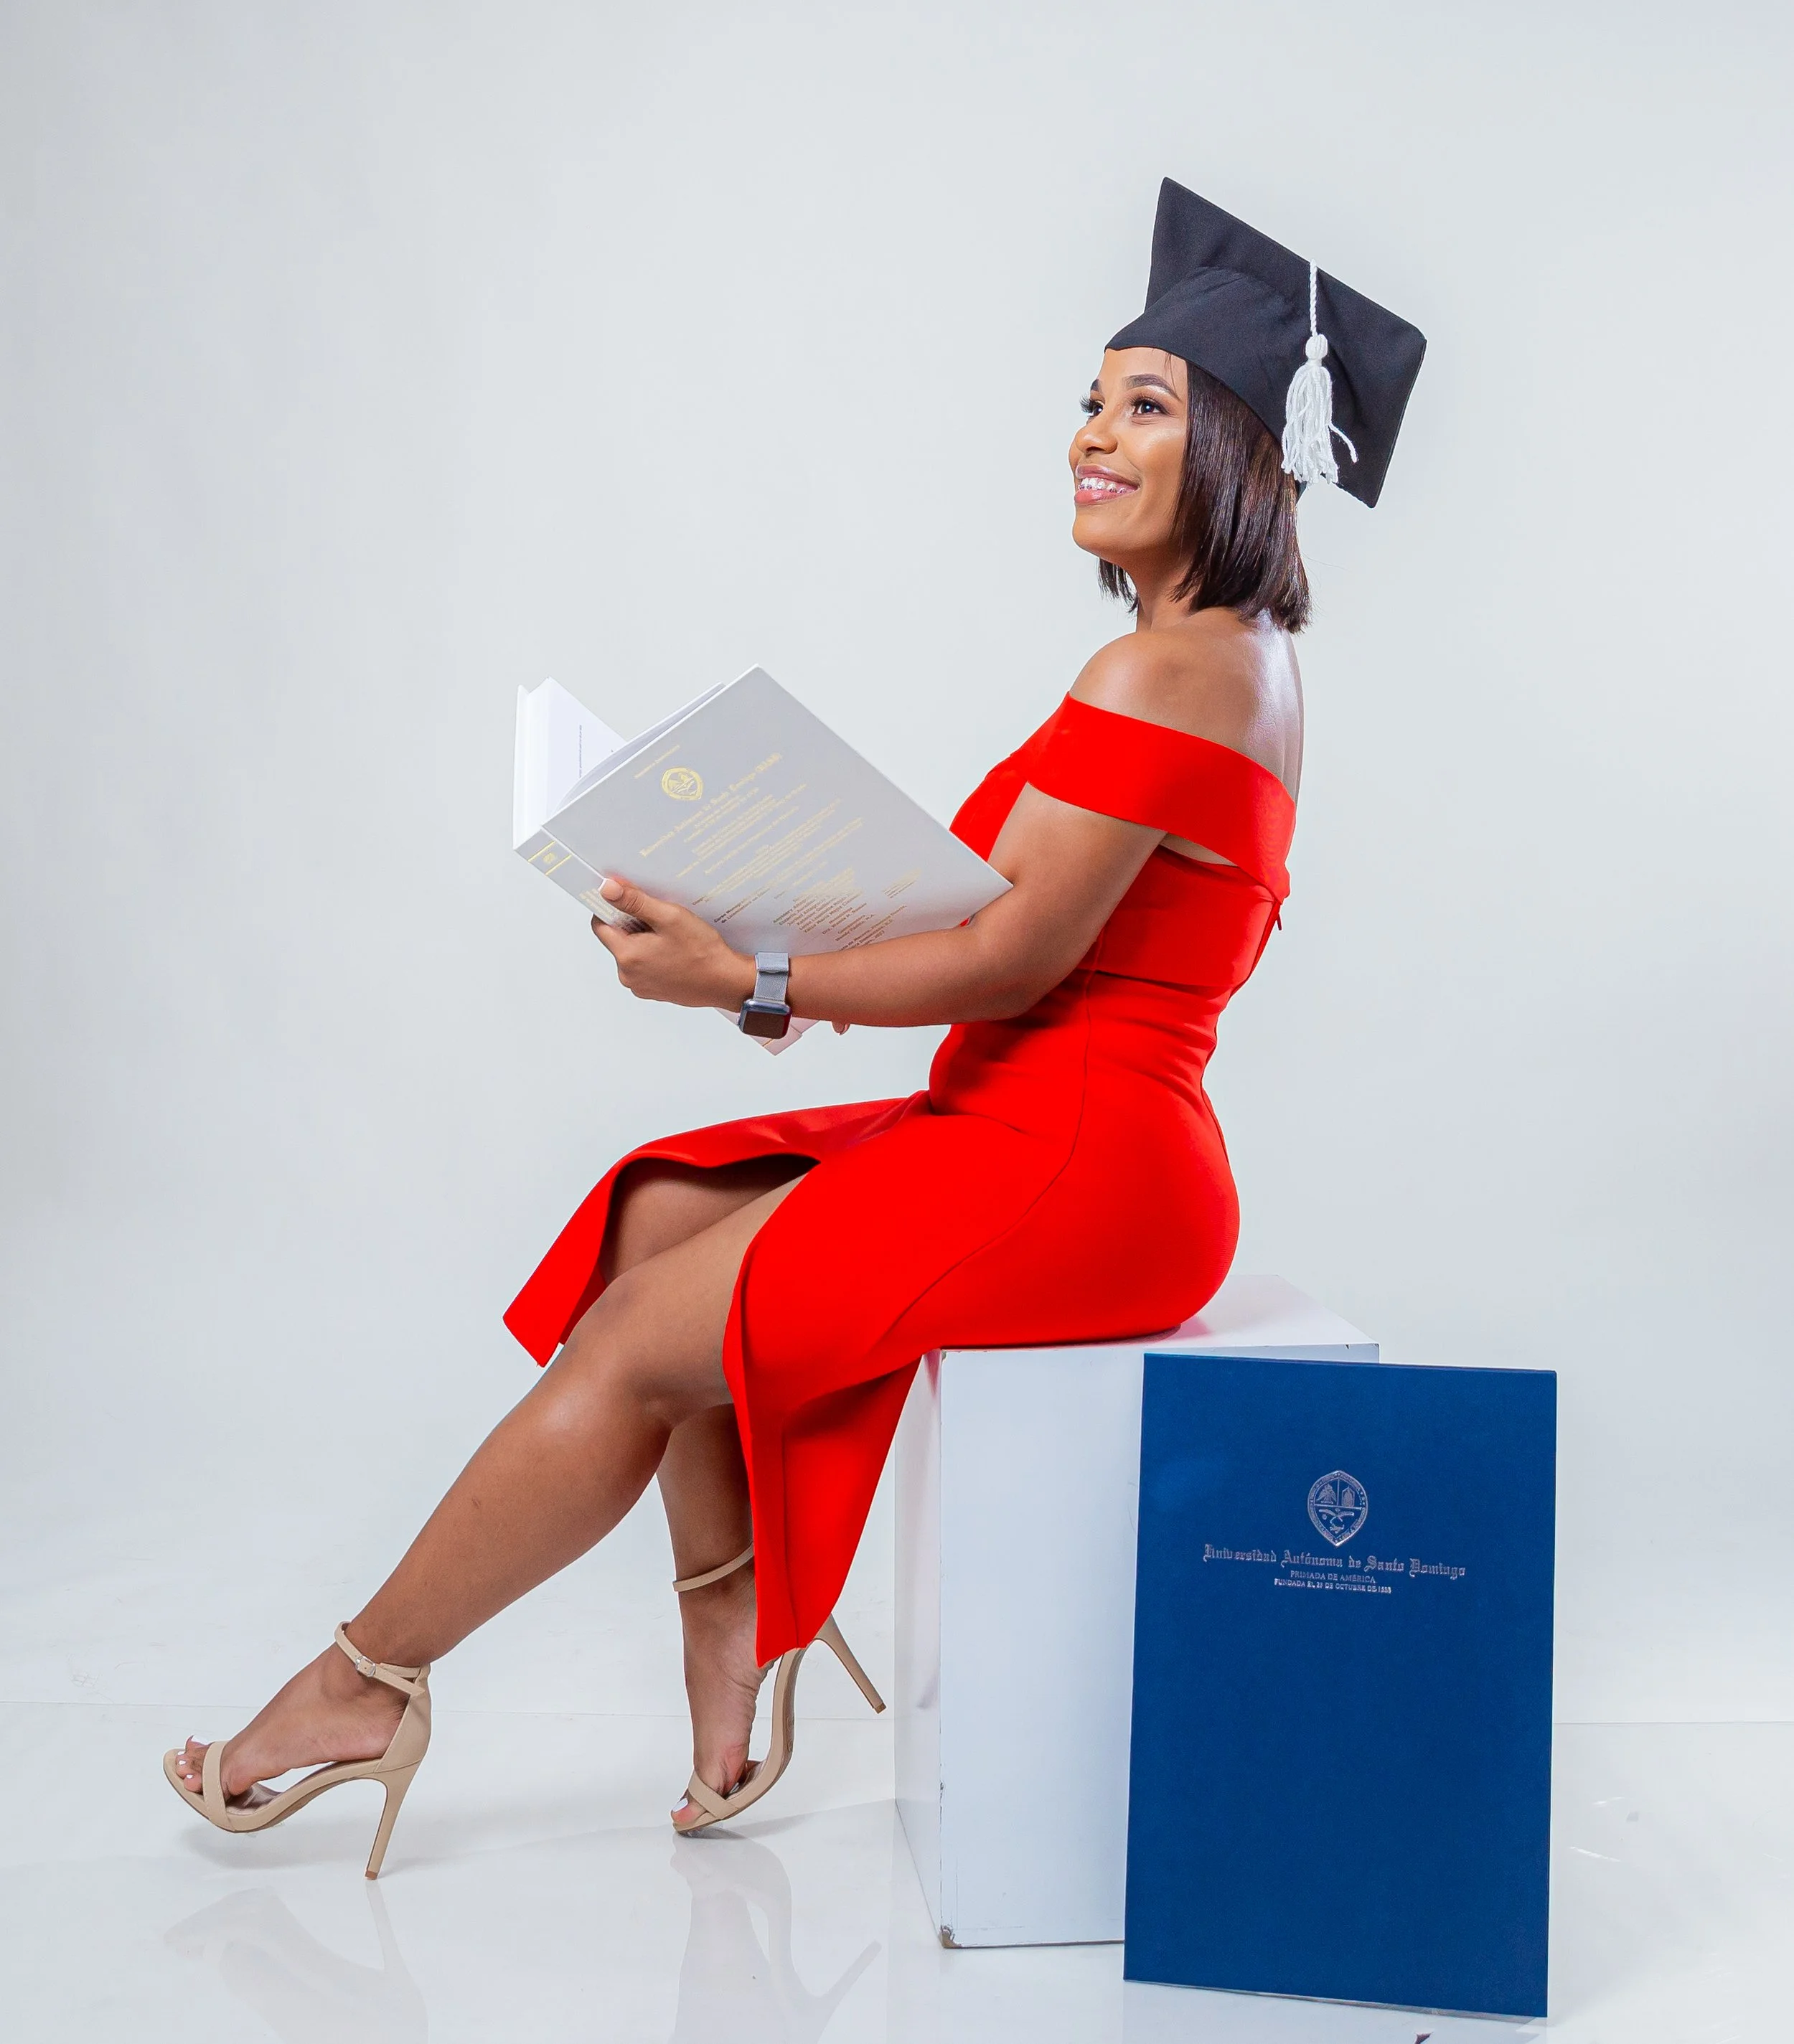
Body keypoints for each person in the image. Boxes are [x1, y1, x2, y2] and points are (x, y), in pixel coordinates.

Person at [164, 179, 1424, 1870]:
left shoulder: (1170, 669)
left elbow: (1008, 960)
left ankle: (364, 1681)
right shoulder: (1221, 655)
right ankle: (733, 1607)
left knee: (633, 1340)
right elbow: (998, 919)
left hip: (1083, 1154)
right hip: (1045, 1118)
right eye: (1088, 401)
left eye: (1142, 407)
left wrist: (751, 980)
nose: (1088, 436)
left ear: (1239, 458)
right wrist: (772, 942)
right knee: (659, 1212)